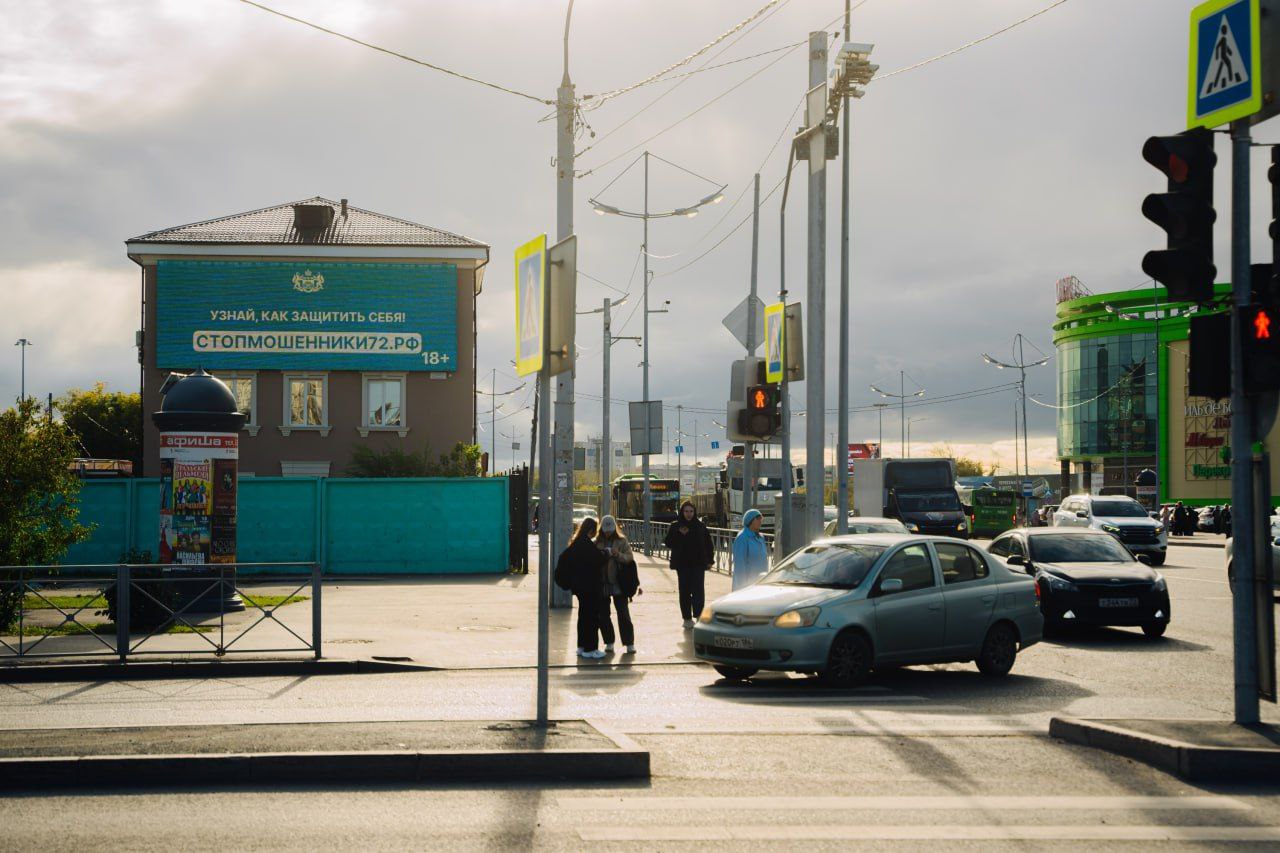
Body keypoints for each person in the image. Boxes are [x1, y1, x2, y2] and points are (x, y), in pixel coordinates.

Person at [554, 516, 608, 659]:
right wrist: (607, 553)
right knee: (592, 618)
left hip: (579, 587)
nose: (595, 533)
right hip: (590, 587)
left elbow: (564, 559)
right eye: (595, 530)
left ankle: (581, 646)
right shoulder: (587, 544)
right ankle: (591, 649)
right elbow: (599, 560)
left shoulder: (575, 543)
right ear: (591, 530)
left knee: (583, 617)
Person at [664, 500, 714, 629]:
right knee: (685, 591)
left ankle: (699, 615)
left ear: (694, 512)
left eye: (691, 511)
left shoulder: (700, 526)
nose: (689, 514)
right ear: (682, 512)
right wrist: (678, 533)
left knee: (698, 591)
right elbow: (668, 542)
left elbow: (708, 544)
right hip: (682, 564)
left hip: (698, 564)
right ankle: (687, 618)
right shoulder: (675, 526)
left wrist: (710, 560)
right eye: (686, 511)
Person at [596, 515, 641, 655]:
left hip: (619, 583)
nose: (608, 532)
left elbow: (629, 558)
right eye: (605, 530)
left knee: (623, 614)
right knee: (603, 615)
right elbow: (591, 559)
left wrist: (617, 554)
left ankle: (629, 643)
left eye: (610, 529)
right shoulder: (596, 541)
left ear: (614, 528)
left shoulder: (622, 541)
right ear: (601, 529)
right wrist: (601, 555)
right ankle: (609, 642)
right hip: (602, 583)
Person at [731, 508, 770, 591]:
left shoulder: (760, 537)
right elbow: (740, 565)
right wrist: (742, 587)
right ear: (750, 521)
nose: (760, 521)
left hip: (760, 582)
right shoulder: (742, 538)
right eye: (757, 519)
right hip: (747, 585)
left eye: (761, 519)